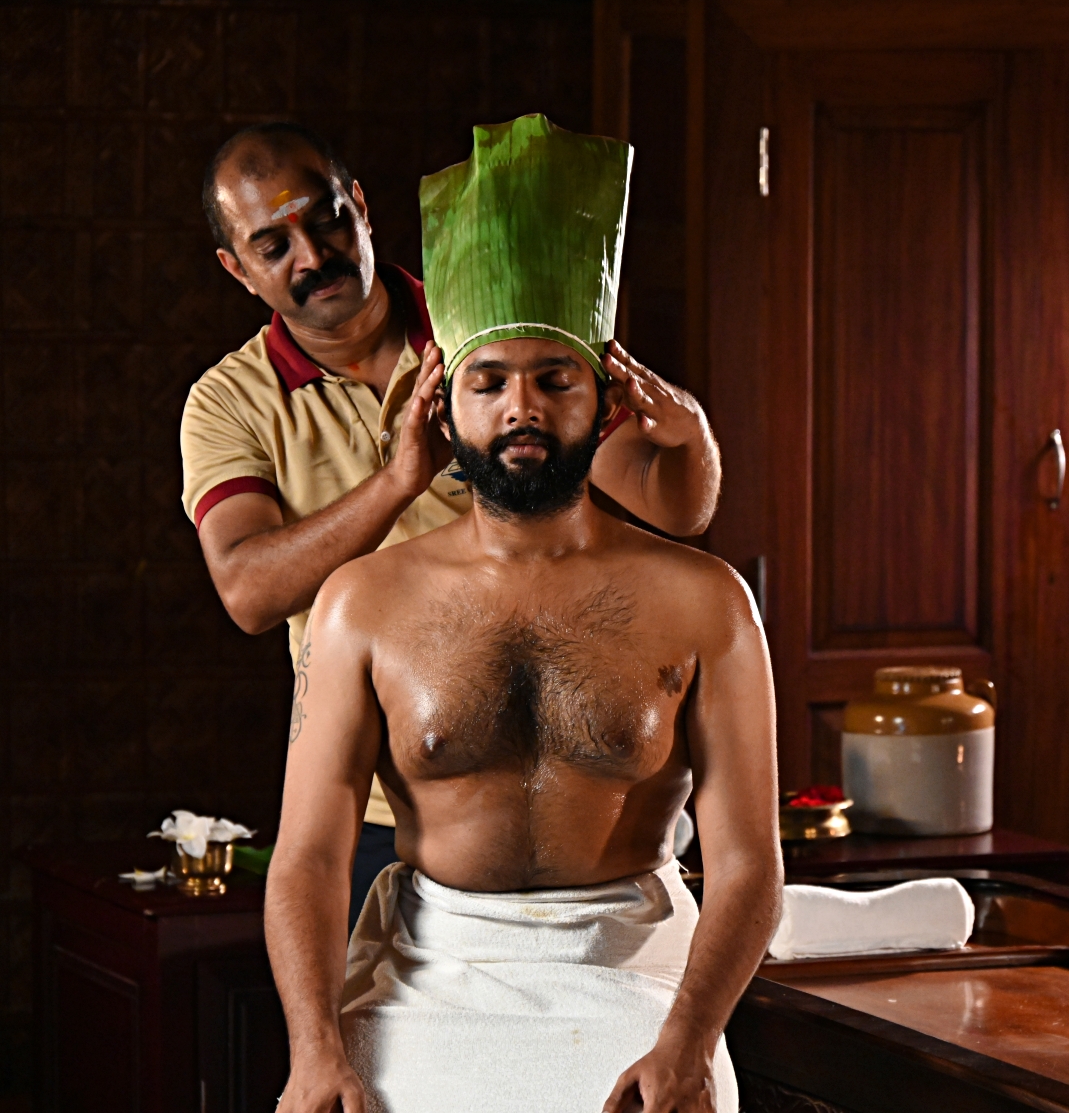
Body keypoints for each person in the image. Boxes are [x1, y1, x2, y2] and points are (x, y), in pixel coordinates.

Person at [265, 115, 781, 1113]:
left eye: (554, 380)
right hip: (425, 971)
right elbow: (309, 857)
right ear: (440, 405)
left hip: (640, 980)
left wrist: (687, 1044)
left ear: (605, 402)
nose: (521, 410)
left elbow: (751, 860)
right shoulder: (361, 603)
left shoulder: (703, 600)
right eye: (488, 383)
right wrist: (313, 1048)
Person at [182, 122, 724, 920]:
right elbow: (249, 592)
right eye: (272, 244)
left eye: (325, 218)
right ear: (236, 267)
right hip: (384, 802)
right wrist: (401, 480)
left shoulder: (492, 327)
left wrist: (695, 438)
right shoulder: (228, 402)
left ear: (360, 207)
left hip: (580, 783)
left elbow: (671, 507)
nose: (312, 256)